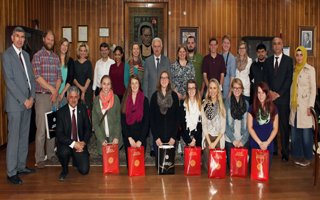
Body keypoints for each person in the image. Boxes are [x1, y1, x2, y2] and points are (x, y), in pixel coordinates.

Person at [2, 27, 36, 184]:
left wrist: (32, 97)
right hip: (16, 104)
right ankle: (11, 172)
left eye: (22, 37)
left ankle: (21, 166)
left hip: (28, 103)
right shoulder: (7, 55)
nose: (20, 39)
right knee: (14, 139)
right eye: (18, 36)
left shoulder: (26, 55)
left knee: (24, 138)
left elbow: (32, 80)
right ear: (12, 37)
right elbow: (10, 82)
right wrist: (24, 100)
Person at [32, 30, 61, 169]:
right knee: (41, 130)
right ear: (44, 39)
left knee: (52, 128)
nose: (50, 42)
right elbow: (37, 77)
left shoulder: (56, 58)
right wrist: (52, 89)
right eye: (48, 39)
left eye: (52, 40)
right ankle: (39, 158)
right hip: (42, 96)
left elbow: (59, 77)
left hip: (54, 98)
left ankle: (50, 154)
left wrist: (55, 91)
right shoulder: (37, 56)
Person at [264, 37, 293, 161]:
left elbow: (289, 79)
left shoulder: (288, 61)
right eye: (274, 44)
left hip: (283, 99)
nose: (276, 46)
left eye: (279, 44)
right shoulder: (268, 61)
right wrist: (270, 92)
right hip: (270, 99)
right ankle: (274, 149)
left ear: (282, 46)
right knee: (271, 125)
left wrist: (278, 94)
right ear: (272, 46)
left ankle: (285, 152)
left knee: (284, 127)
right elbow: (264, 78)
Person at [56, 86, 91, 181]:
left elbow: (88, 128)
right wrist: (73, 143)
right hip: (67, 143)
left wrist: (83, 142)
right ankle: (65, 170)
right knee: (63, 152)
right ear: (67, 98)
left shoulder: (83, 109)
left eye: (76, 97)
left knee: (84, 171)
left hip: (80, 143)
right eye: (71, 97)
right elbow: (59, 134)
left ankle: (76, 160)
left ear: (79, 97)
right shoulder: (61, 112)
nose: (73, 100)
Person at [143, 37, 170, 156]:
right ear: (152, 47)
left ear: (162, 47)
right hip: (151, 97)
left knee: (162, 121)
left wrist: (169, 96)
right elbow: (145, 81)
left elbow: (169, 79)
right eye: (155, 46)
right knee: (153, 121)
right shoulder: (147, 61)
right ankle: (153, 147)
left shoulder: (166, 60)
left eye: (159, 46)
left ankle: (163, 142)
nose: (157, 48)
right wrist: (145, 99)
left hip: (164, 96)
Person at [289, 46, 316, 167]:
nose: (299, 57)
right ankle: (298, 155)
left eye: (301, 54)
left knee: (306, 134)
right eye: (297, 55)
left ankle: (308, 157)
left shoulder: (310, 69)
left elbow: (313, 90)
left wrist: (310, 106)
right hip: (295, 107)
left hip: (305, 107)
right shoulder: (294, 69)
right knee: (295, 134)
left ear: (304, 55)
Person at [150, 71, 179, 166]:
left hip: (171, 138)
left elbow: (176, 119)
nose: (164, 80)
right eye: (162, 78)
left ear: (169, 80)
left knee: (169, 167)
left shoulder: (174, 96)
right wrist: (156, 137)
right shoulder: (154, 97)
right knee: (160, 167)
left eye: (166, 77)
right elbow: (152, 119)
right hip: (158, 138)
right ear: (159, 80)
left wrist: (173, 137)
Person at [247, 82, 279, 166]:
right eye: (259, 92)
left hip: (268, 144)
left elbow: (275, 128)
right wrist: (260, 143)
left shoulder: (273, 108)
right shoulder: (251, 108)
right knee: (255, 171)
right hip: (255, 144)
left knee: (265, 172)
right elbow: (250, 128)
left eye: (263, 92)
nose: (261, 95)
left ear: (267, 93)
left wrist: (266, 143)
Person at [121, 75, 149, 165]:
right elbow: (123, 122)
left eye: (136, 83)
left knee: (139, 166)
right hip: (129, 138)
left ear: (139, 84)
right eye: (132, 83)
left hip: (141, 138)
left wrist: (140, 140)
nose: (134, 85)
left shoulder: (145, 100)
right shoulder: (125, 99)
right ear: (129, 85)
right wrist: (129, 138)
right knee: (131, 167)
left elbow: (146, 122)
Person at [92, 75, 122, 155]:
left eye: (108, 84)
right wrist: (101, 139)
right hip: (103, 140)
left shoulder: (116, 99)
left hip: (114, 139)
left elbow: (118, 120)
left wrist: (116, 136)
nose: (106, 86)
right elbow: (95, 123)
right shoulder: (96, 101)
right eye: (104, 84)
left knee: (114, 164)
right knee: (106, 165)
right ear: (101, 84)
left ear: (111, 85)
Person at [201, 78, 226, 171]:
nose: (212, 91)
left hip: (218, 136)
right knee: (208, 166)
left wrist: (215, 143)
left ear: (218, 90)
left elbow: (223, 128)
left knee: (218, 166)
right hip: (208, 135)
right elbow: (204, 126)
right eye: (210, 88)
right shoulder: (204, 105)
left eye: (214, 88)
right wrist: (210, 143)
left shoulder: (222, 106)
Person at [225, 78, 249, 168]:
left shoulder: (246, 104)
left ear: (242, 89)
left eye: (239, 88)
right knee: (232, 166)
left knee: (241, 167)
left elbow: (249, 126)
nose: (237, 90)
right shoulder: (227, 103)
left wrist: (242, 141)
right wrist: (233, 140)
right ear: (231, 89)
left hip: (243, 138)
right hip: (230, 139)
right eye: (234, 88)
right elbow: (225, 125)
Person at [181, 79, 202, 147]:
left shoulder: (201, 104)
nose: (191, 90)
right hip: (186, 137)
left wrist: (194, 140)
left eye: (193, 88)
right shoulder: (183, 104)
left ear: (196, 89)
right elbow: (182, 125)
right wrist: (189, 141)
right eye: (189, 88)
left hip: (198, 137)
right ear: (187, 90)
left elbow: (201, 124)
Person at [73, 42, 93, 110]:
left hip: (87, 90)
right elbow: (73, 78)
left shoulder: (89, 63)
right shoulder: (74, 63)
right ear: (78, 51)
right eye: (81, 50)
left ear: (86, 52)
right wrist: (81, 89)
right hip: (76, 90)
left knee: (87, 111)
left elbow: (89, 77)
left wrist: (83, 91)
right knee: (76, 110)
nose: (82, 52)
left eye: (84, 51)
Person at [56, 38, 74, 107]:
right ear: (59, 46)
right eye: (63, 45)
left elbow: (71, 79)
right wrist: (55, 93)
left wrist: (62, 93)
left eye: (66, 46)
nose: (64, 47)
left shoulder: (70, 61)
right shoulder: (54, 58)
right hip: (54, 93)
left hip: (65, 94)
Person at [221, 35, 236, 100]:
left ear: (230, 45)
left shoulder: (232, 58)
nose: (226, 45)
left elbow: (232, 76)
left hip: (227, 90)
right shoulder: (219, 56)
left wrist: (230, 91)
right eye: (224, 42)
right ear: (222, 44)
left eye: (228, 43)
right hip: (218, 89)